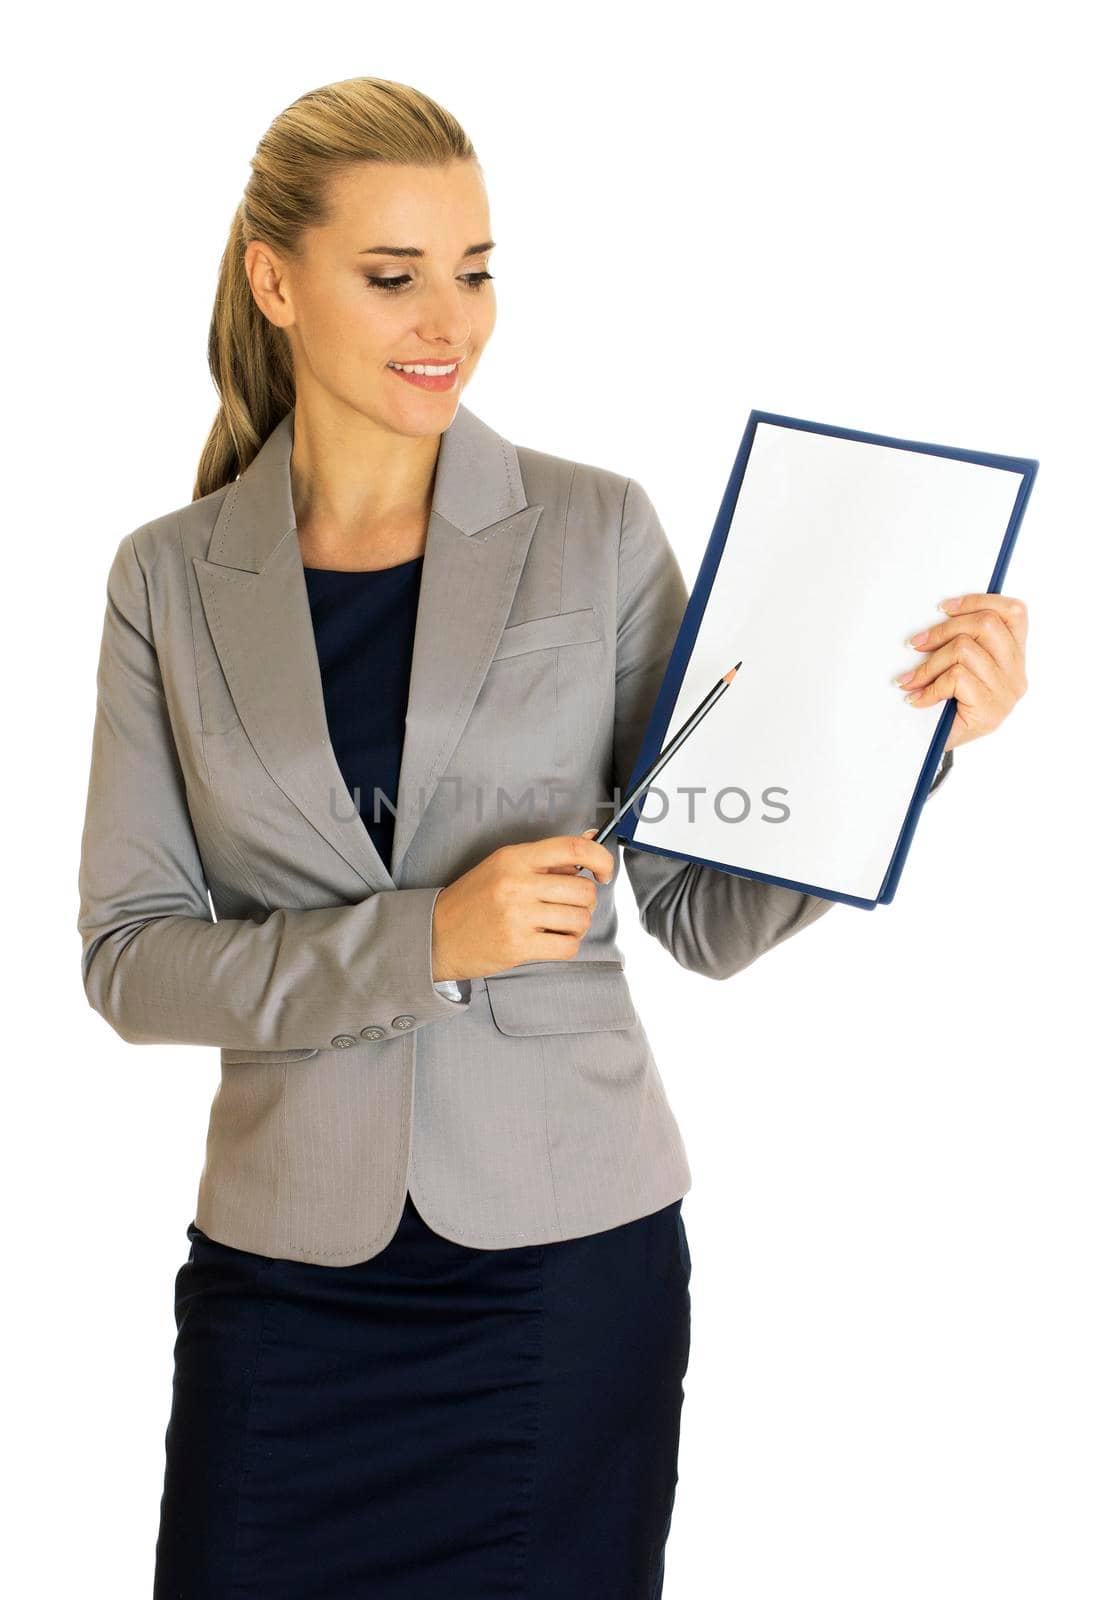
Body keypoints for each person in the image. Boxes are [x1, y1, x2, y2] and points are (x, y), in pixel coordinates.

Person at [76, 75, 1030, 1599]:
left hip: (561, 1277)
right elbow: (131, 963)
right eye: (393, 277)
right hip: (283, 1285)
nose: (446, 316)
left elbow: (706, 916)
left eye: (475, 269)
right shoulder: (167, 580)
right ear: (276, 280)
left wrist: (902, 747)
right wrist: (421, 942)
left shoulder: (594, 531)